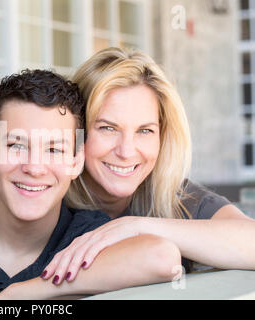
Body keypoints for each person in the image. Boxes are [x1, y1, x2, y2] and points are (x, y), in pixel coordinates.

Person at [0, 69, 181, 300]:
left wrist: (30, 291)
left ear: (76, 160)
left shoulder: (91, 237)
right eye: (17, 145)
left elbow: (162, 258)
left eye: (54, 150)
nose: (34, 168)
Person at [38, 47, 255, 285]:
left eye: (145, 131)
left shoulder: (176, 197)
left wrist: (138, 227)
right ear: (77, 132)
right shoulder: (46, 196)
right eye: (108, 128)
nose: (126, 151)